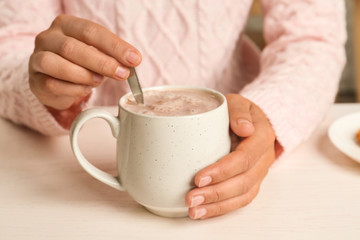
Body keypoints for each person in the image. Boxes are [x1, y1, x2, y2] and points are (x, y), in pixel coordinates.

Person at [0, 0, 346, 220]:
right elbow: (9, 45)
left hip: (233, 135)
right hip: (84, 181)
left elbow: (312, 38)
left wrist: (269, 113)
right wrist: (46, 86)